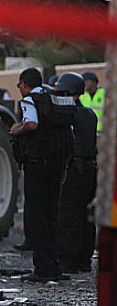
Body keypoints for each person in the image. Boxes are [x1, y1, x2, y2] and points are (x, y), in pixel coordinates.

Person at [9, 67, 75, 282]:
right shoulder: (54, 100)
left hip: (37, 164)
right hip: (57, 164)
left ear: (24, 84)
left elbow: (31, 124)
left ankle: (42, 268)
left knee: (37, 217)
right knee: (51, 216)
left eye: (20, 85)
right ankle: (55, 266)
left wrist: (15, 129)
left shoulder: (30, 100)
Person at [54, 73, 98, 274]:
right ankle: (83, 259)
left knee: (68, 214)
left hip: (74, 168)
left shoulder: (68, 114)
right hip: (89, 169)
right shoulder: (89, 114)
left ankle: (68, 259)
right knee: (85, 216)